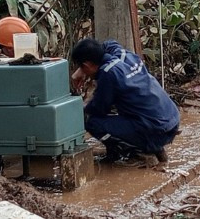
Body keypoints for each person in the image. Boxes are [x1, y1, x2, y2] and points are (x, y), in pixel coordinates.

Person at [71, 38, 180, 166]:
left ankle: (134, 153)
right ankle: (152, 148)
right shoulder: (123, 54)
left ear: (87, 65)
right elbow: (108, 43)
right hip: (171, 121)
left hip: (156, 130)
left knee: (91, 121)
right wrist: (82, 69)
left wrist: (77, 108)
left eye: (82, 67)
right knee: (130, 111)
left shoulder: (108, 73)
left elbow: (98, 108)